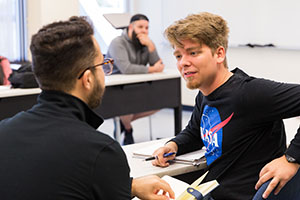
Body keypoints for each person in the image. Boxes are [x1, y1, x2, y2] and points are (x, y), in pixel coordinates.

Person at [0, 16, 174, 200]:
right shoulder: (100, 152)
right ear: (88, 79)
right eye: (102, 65)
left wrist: (130, 186)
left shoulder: (3, 132)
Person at [151, 12, 300, 200]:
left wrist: (292, 159)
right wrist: (173, 145)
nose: (183, 63)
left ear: (219, 54)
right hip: (210, 191)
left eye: (193, 53)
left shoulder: (248, 93)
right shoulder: (205, 94)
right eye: (179, 55)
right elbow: (194, 132)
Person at [106, 14, 164, 145]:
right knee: (126, 106)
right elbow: (126, 69)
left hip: (137, 85)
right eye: (140, 27)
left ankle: (124, 122)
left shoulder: (145, 43)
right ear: (131, 27)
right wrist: (152, 69)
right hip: (116, 89)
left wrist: (151, 46)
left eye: (147, 27)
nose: (144, 30)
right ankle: (128, 128)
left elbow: (158, 64)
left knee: (162, 102)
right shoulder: (117, 42)